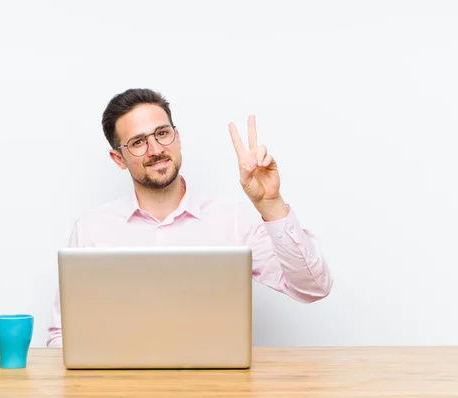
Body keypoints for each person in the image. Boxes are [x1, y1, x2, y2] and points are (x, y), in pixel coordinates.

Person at [46, 88, 333, 347]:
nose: (156, 149)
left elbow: (313, 288)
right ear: (118, 158)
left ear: (177, 137)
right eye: (138, 142)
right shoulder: (92, 231)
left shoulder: (233, 220)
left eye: (161, 133)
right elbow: (61, 335)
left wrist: (270, 203)